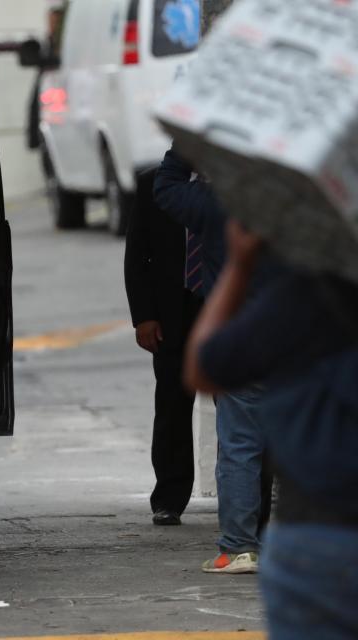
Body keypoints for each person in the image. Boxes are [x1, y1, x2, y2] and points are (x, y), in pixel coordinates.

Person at [185, 221, 358, 638]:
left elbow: (203, 369)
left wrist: (239, 266)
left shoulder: (303, 296)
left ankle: (238, 543)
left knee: (241, 446)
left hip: (319, 535)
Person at [154, 146, 273, 573]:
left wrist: (184, 146)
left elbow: (165, 186)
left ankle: (239, 548)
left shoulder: (214, 201)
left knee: (240, 444)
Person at [124, 168, 202, 526]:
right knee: (172, 402)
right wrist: (143, 316)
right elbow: (137, 254)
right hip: (172, 314)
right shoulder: (153, 183)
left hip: (222, 306)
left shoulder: (231, 176)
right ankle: (169, 497)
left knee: (237, 408)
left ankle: (245, 498)